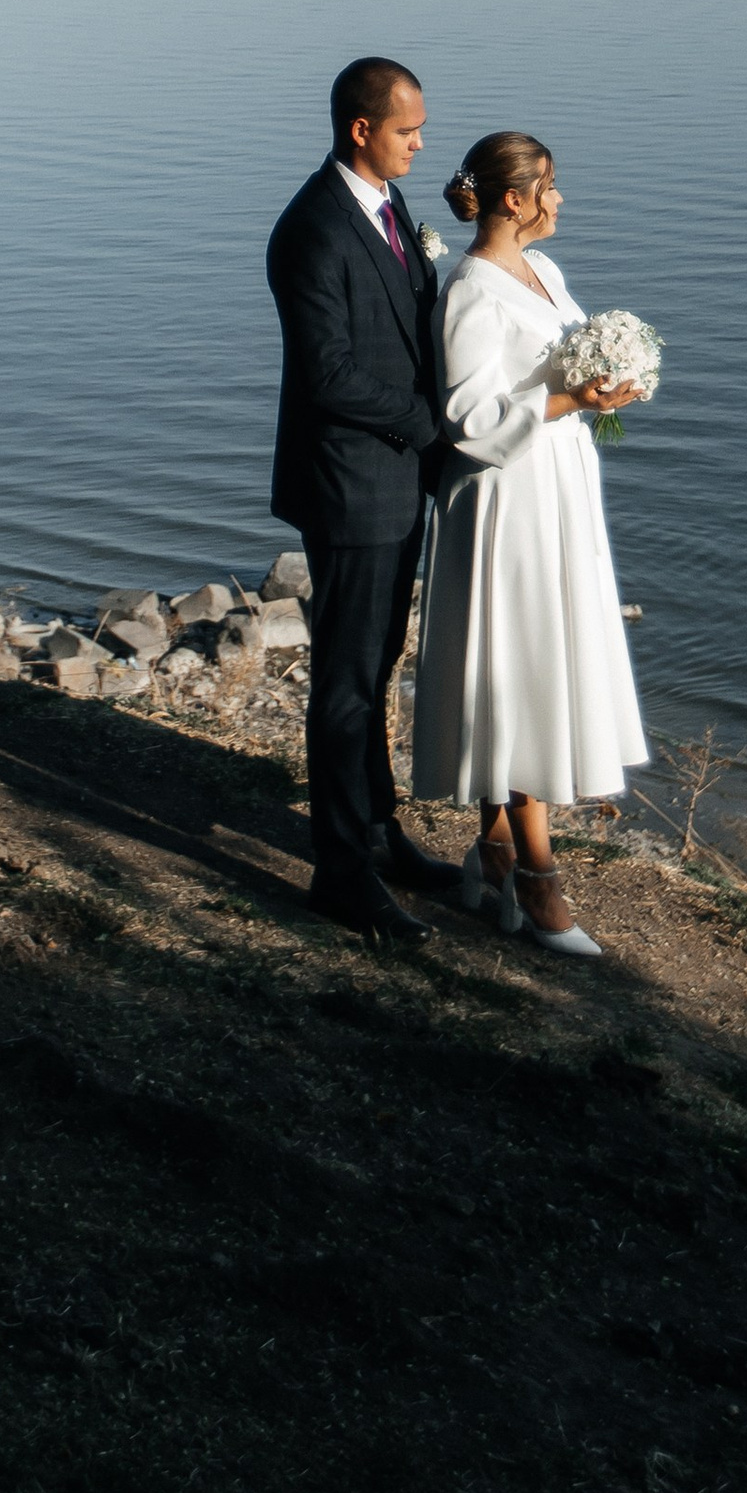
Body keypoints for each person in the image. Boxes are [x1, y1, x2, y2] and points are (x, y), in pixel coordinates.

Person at [411, 129, 648, 957]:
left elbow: (558, 364)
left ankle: (498, 853)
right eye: (549, 184)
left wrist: (610, 386)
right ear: (514, 198)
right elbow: (467, 417)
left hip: (558, 489)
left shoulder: (543, 272)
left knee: (532, 656)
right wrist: (564, 400)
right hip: (506, 500)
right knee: (521, 663)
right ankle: (540, 883)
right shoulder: (470, 292)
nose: (559, 197)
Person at [265, 59, 464, 948]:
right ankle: (340, 872)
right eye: (407, 129)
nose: (422, 141)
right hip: (350, 485)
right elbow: (331, 374)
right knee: (345, 686)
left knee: (378, 667)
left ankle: (381, 834)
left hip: (393, 484)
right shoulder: (313, 227)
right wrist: (430, 423)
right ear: (359, 128)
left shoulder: (387, 211)